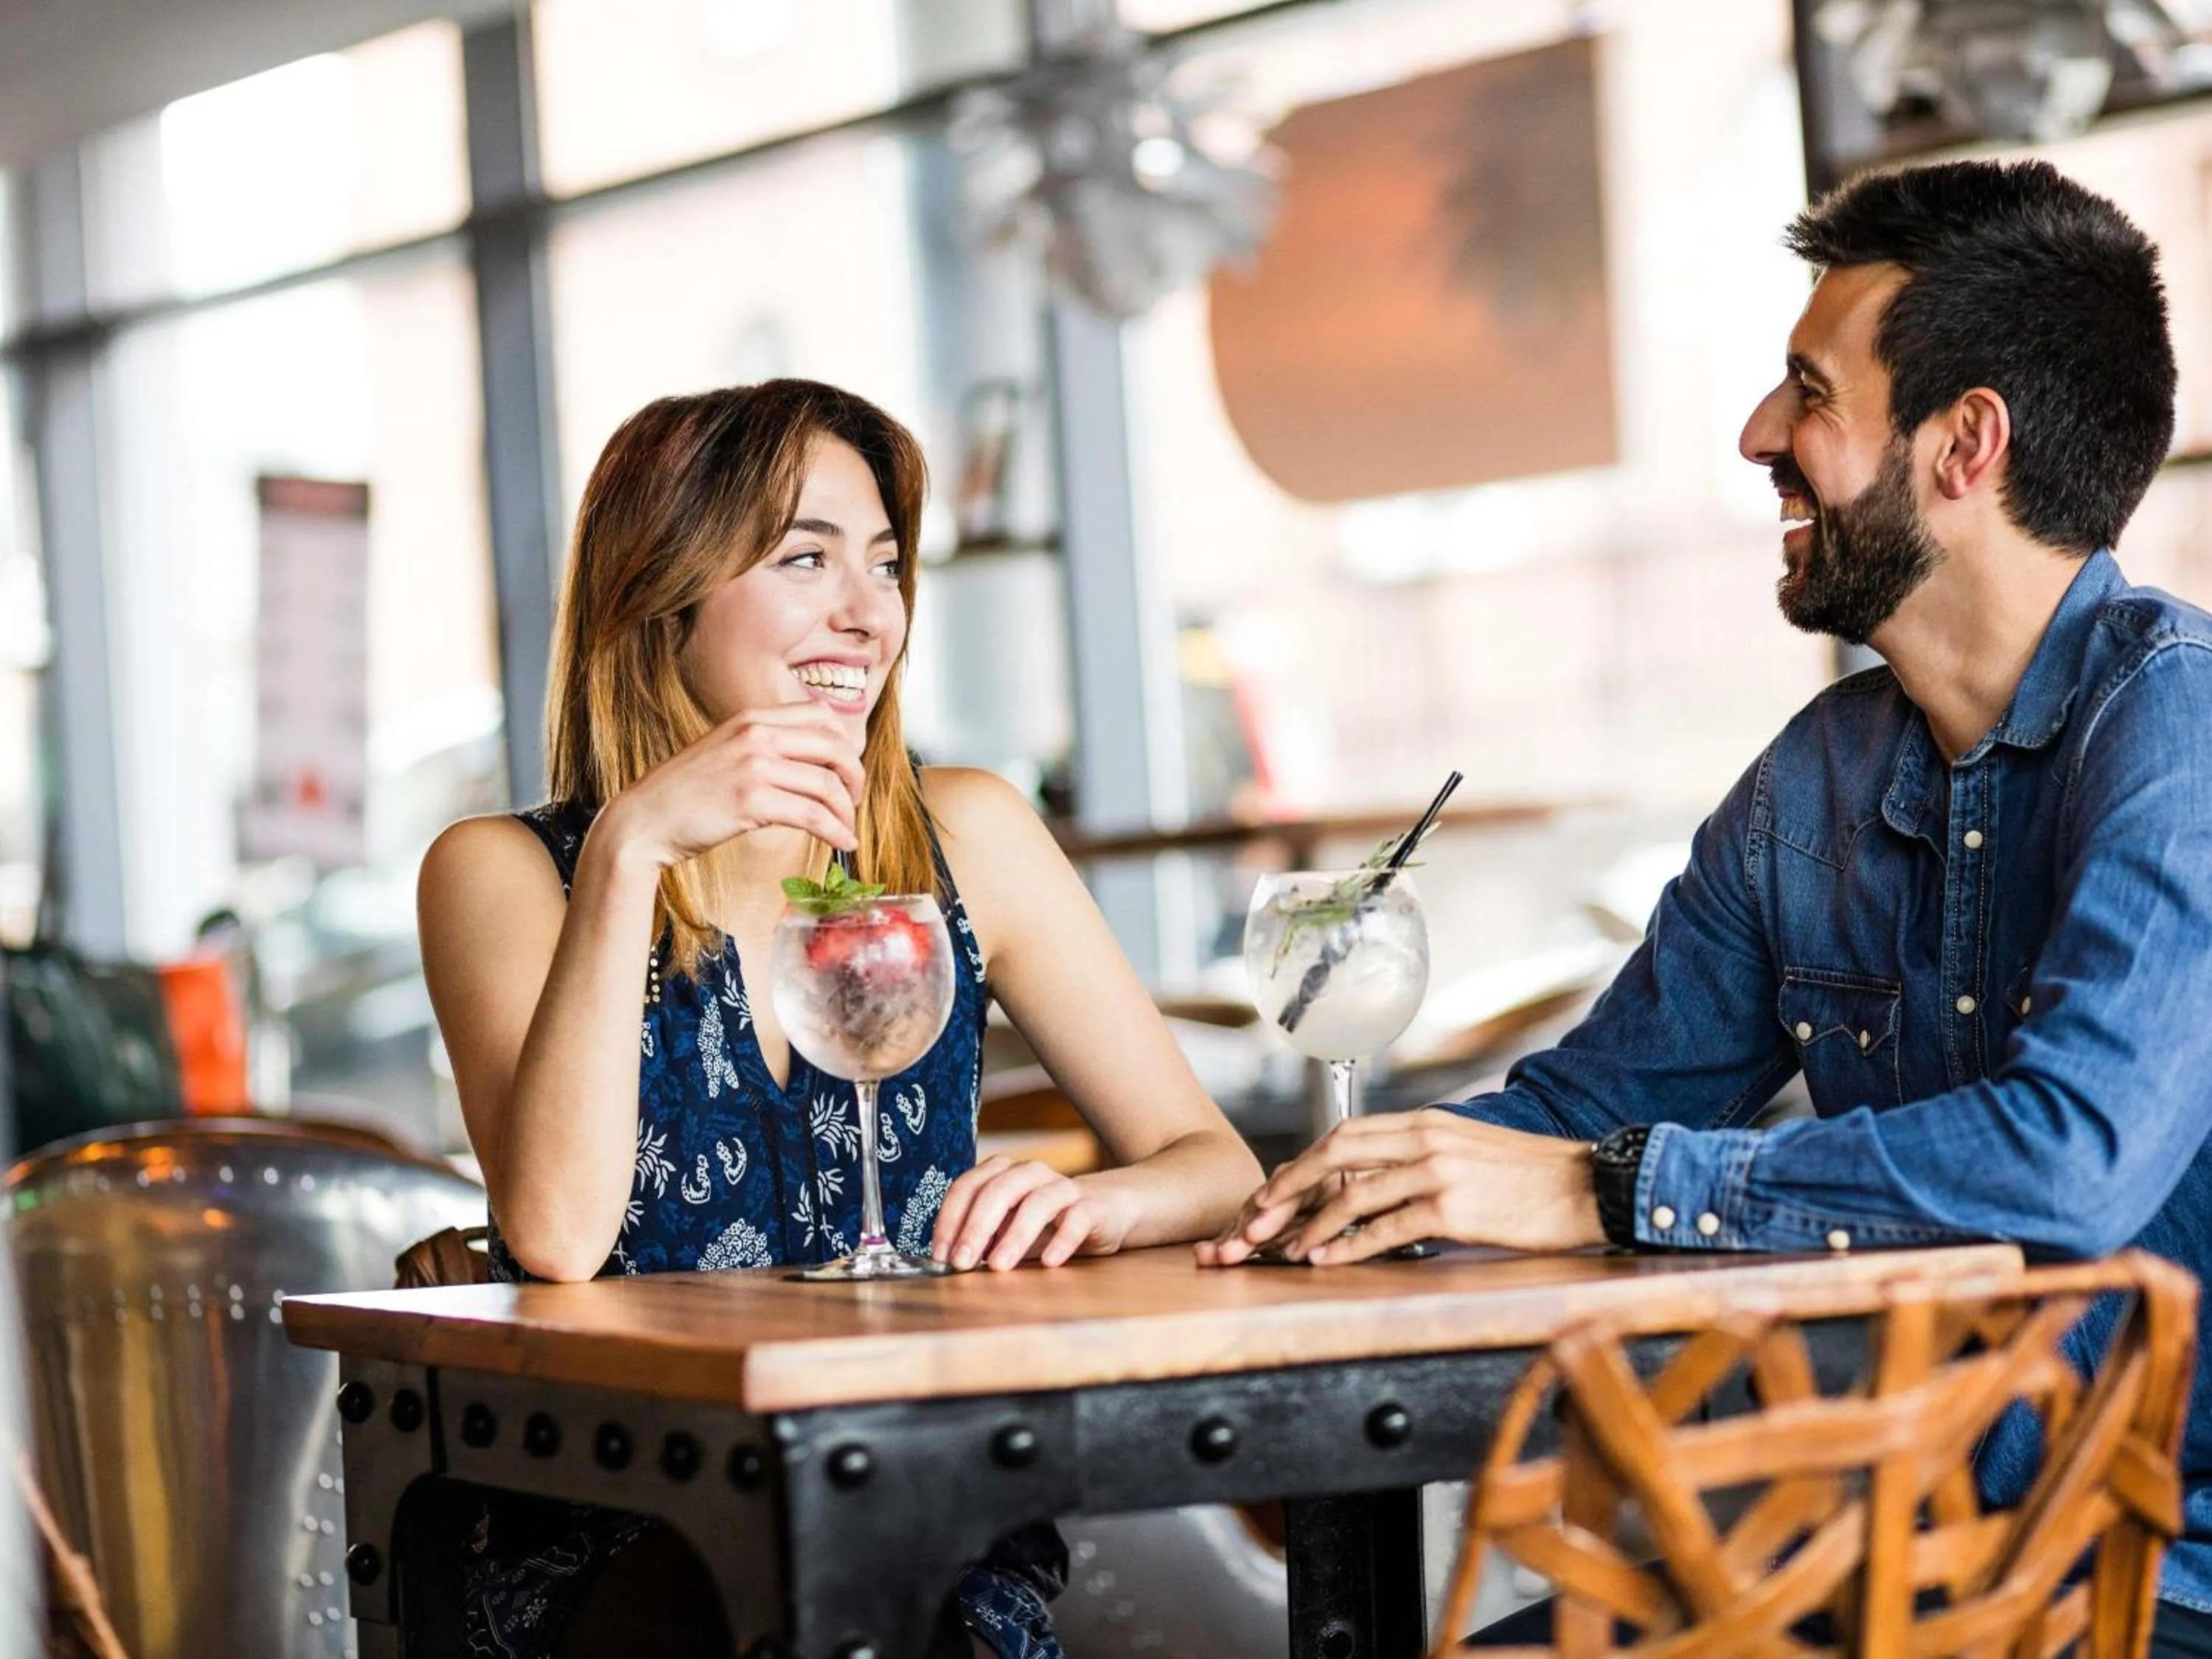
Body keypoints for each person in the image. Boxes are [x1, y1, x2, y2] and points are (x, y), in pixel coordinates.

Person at [1200, 159, 2212, 1649]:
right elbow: (1580, 1103)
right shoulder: (1818, 779)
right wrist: (1292, 1197)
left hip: (2151, 1586)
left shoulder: (2179, 727)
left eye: (1808, 390)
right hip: (1863, 1561)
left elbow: (2066, 1169)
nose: (1758, 436)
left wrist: (1617, 1189)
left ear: (1964, 443)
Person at [419, 378, 1261, 1659]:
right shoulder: (504, 870)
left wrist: (1099, 1204)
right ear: (663, 594)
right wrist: (632, 847)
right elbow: (557, 1233)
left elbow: (1212, 1162)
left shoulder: (963, 830)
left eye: (883, 563)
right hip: (623, 1542)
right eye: (806, 558)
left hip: (921, 1514)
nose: (867, 613)